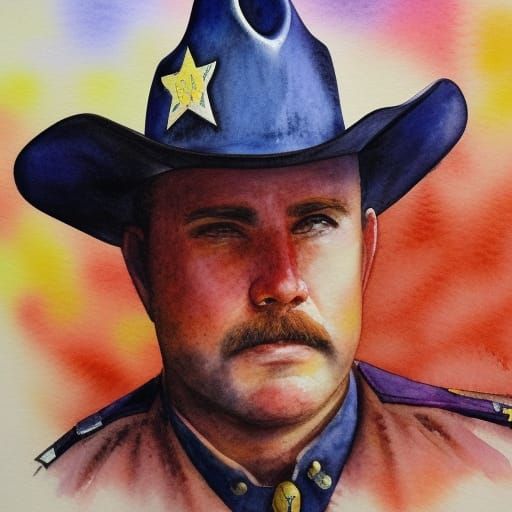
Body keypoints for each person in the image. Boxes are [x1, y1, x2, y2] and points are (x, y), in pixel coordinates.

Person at [14, 0, 512, 510]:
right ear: (144, 268)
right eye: (223, 231)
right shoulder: (60, 495)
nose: (282, 282)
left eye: (316, 223)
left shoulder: (495, 468)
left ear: (365, 251)